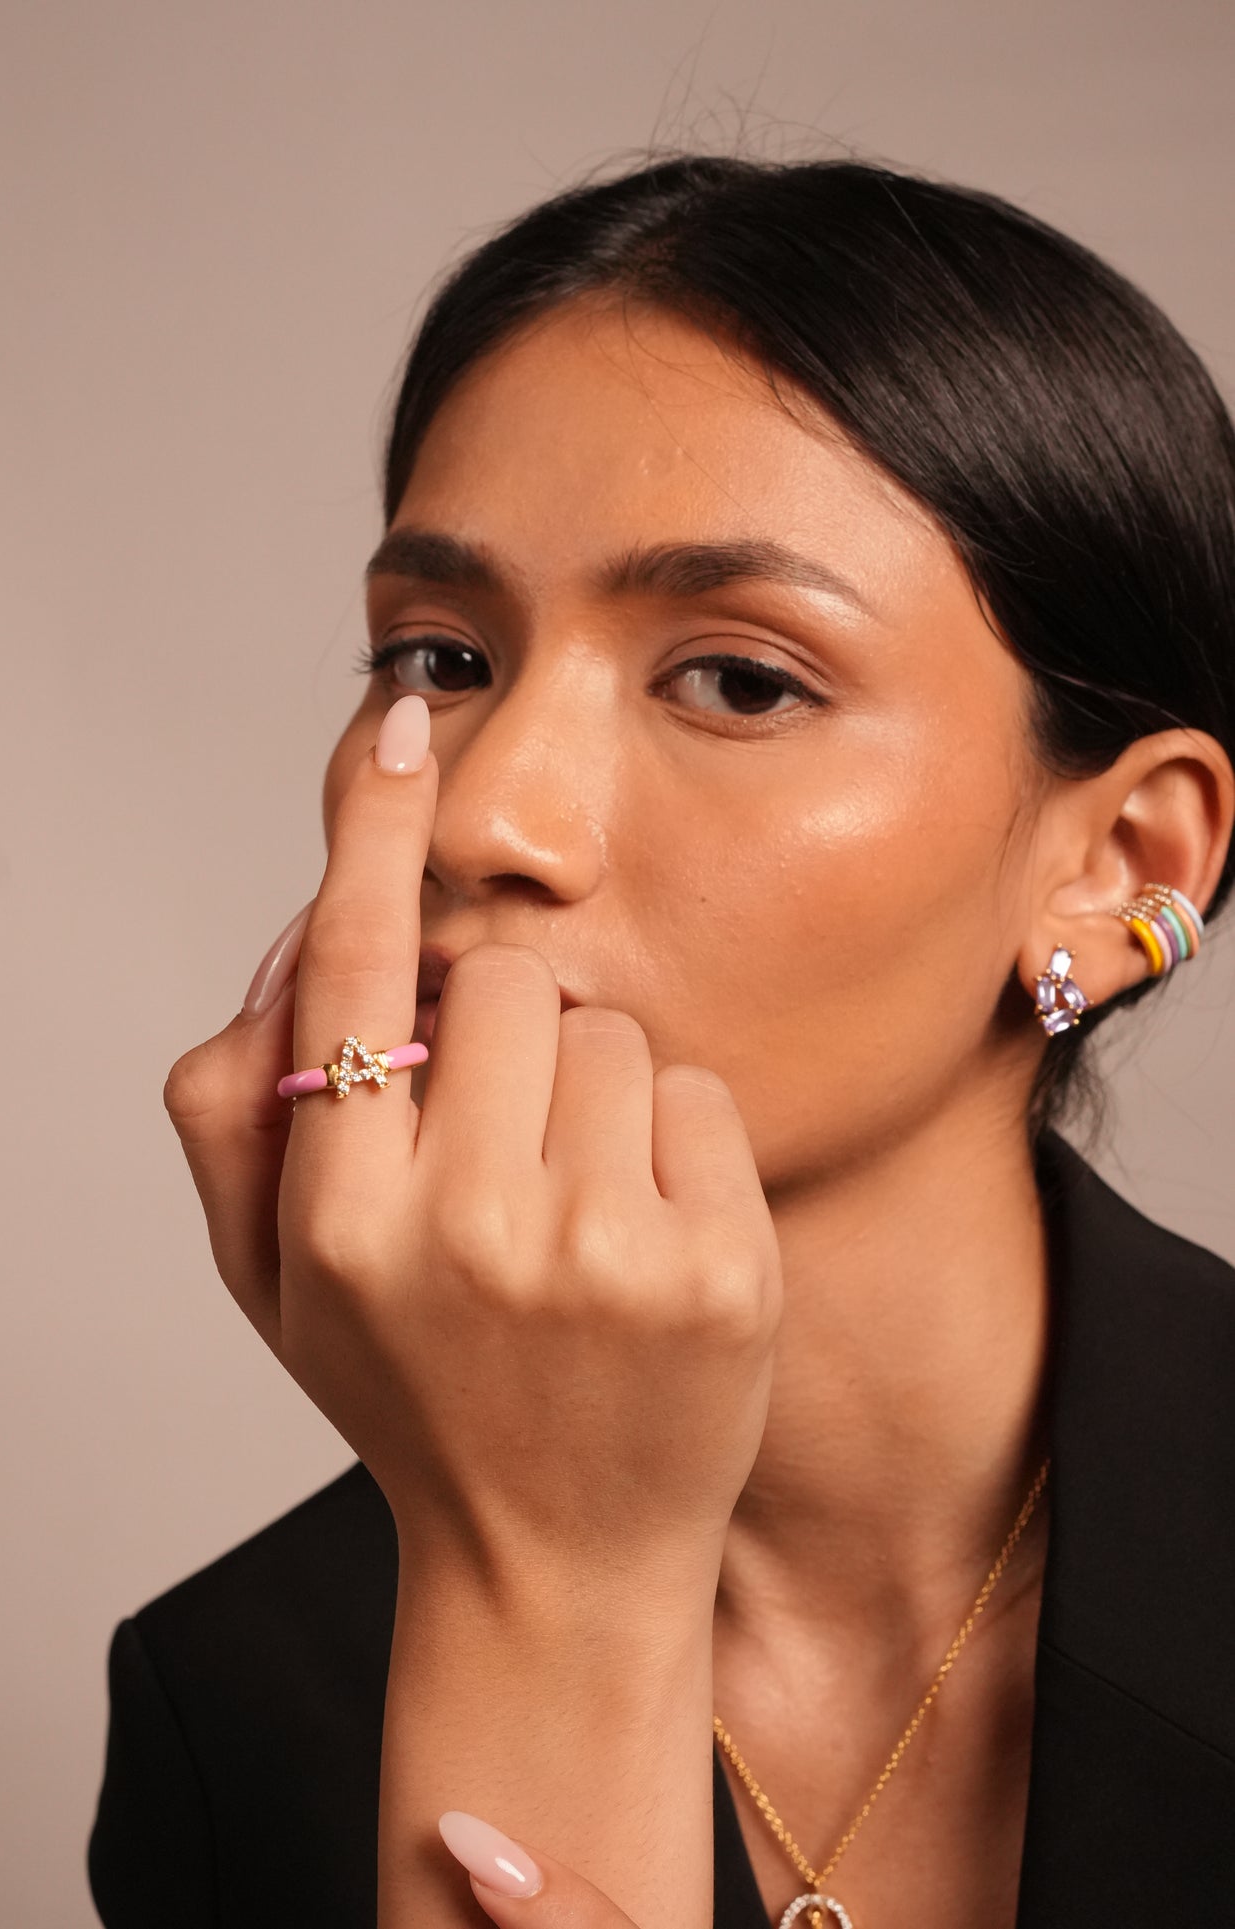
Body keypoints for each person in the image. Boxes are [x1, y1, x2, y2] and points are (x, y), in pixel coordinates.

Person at [86, 154, 1235, 1929]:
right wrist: (535, 1581)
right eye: (440, 657)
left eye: (741, 677)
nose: (487, 821)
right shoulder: (241, 1707)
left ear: (1116, 867)